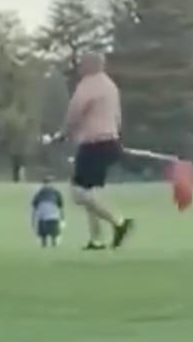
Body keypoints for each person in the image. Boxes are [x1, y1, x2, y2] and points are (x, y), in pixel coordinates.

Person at [50, 52, 134, 250]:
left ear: (90, 66)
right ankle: (96, 240)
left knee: (78, 193)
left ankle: (119, 222)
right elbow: (117, 117)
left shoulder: (88, 85)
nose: (79, 67)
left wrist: (62, 134)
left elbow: (74, 113)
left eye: (82, 64)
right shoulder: (110, 85)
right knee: (90, 192)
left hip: (93, 144)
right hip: (110, 141)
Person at [31, 177, 64, 248]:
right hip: (42, 217)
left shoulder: (56, 193)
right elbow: (34, 208)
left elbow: (60, 207)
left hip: (53, 217)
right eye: (46, 183)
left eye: (49, 183)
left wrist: (62, 218)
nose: (47, 185)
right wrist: (33, 220)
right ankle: (44, 249)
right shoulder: (39, 193)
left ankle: (54, 248)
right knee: (43, 237)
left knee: (54, 236)